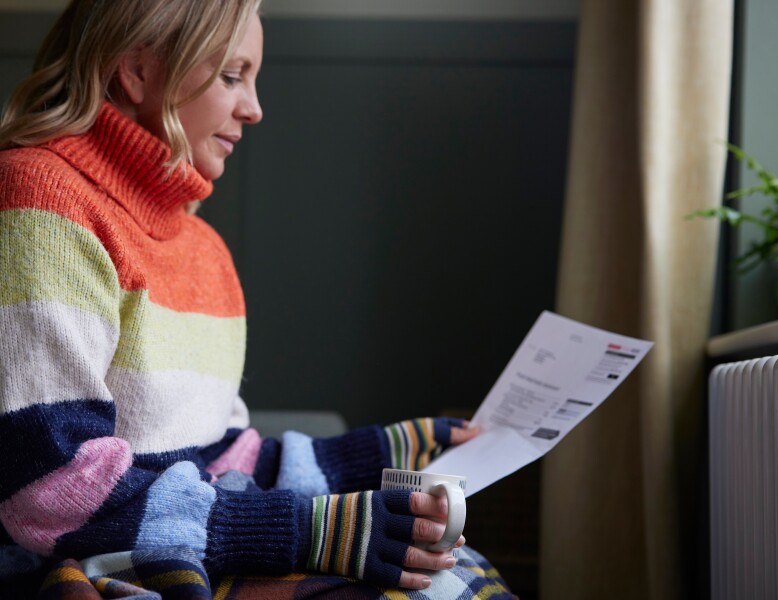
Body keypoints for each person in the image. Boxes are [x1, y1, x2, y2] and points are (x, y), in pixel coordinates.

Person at [0, 1, 516, 598]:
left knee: (464, 576)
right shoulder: (40, 203)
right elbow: (50, 490)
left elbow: (218, 458)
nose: (254, 107)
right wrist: (310, 533)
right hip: (77, 564)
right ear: (137, 71)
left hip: (181, 543)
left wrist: (383, 452)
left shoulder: (203, 248)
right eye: (231, 75)